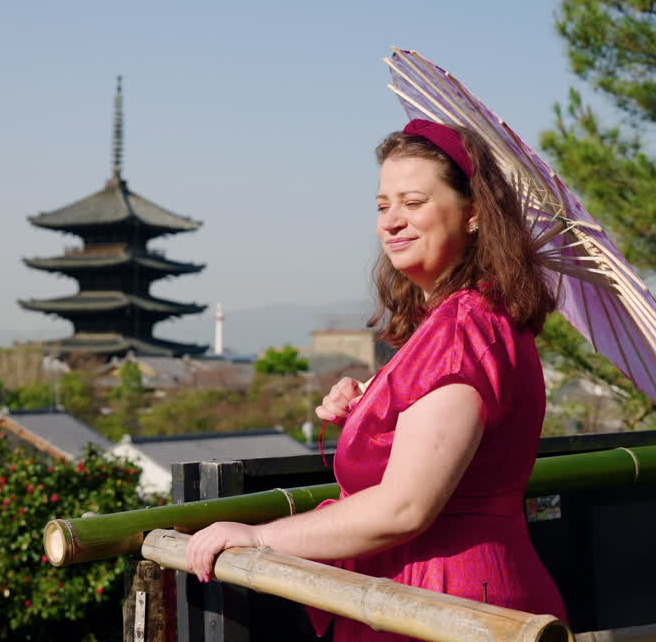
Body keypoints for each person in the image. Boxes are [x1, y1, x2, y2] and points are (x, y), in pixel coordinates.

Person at [184, 118, 568, 639]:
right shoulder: (466, 321)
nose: (391, 222)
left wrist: (257, 537)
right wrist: (376, 403)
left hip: (446, 605)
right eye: (383, 205)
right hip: (442, 597)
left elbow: (403, 508)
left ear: (474, 212)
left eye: (413, 203)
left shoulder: (462, 330)